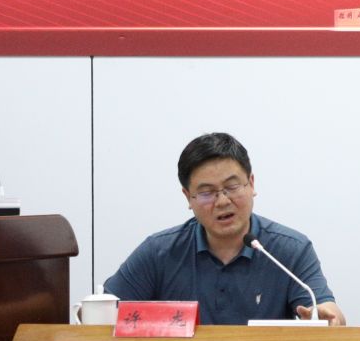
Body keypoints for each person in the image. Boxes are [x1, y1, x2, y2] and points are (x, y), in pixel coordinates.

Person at [106, 131, 344, 325]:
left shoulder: (290, 249)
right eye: (206, 192)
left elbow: (326, 310)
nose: (222, 201)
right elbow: (105, 315)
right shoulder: (159, 252)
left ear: (251, 184)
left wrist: (329, 317)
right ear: (188, 197)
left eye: (232, 187)